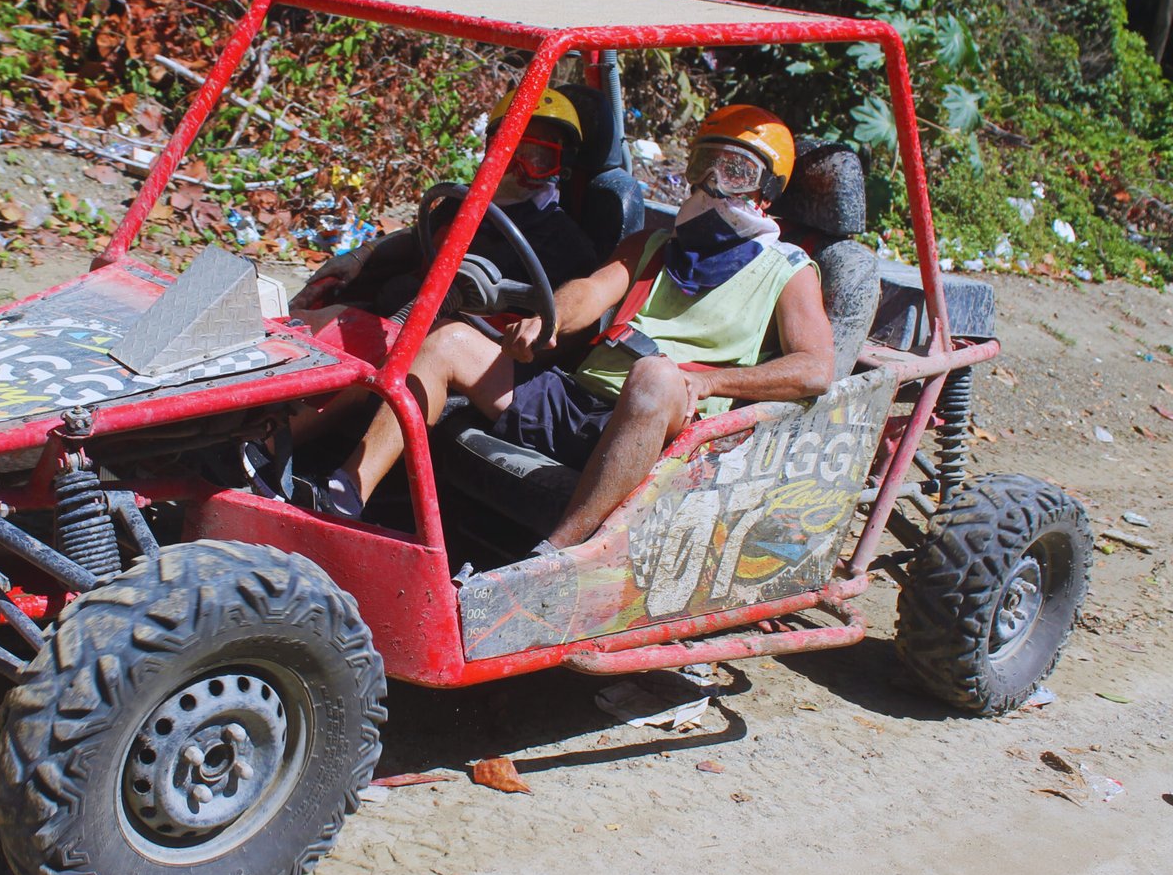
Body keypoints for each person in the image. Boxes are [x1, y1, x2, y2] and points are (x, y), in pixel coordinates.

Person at [313, 105, 835, 548]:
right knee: (448, 340)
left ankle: (560, 555)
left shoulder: (787, 271)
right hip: (577, 401)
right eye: (704, 165)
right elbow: (589, 291)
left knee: (655, 376)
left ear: (767, 188)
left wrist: (707, 381)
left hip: (667, 427)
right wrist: (549, 319)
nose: (712, 185)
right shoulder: (655, 245)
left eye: (735, 172)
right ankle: (341, 494)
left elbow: (815, 369)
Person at [289, 86, 600, 318]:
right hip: (394, 323)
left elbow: (549, 324)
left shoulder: (567, 245)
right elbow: (418, 240)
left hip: (452, 351)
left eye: (536, 157)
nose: (518, 166)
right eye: (508, 151)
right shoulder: (460, 202)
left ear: (562, 163)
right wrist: (361, 255)